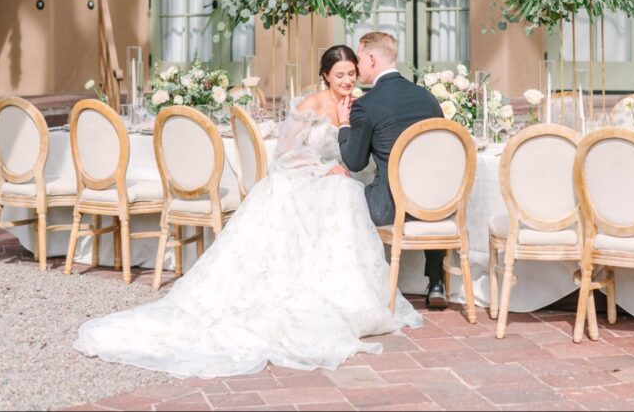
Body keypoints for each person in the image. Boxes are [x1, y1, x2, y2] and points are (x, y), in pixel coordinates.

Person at [73, 45, 421, 378]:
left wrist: (345, 136)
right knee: (339, 193)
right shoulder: (311, 104)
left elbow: (357, 155)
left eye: (351, 73)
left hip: (336, 181)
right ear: (325, 76)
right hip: (302, 179)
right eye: (340, 74)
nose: (347, 80)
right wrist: (322, 169)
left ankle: (350, 296)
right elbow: (285, 155)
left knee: (346, 195)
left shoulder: (357, 106)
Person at [337, 32, 448, 309]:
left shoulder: (366, 105)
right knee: (430, 184)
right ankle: (436, 281)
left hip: (389, 207)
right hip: (435, 206)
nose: (357, 65)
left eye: (359, 58)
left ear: (372, 58)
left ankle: (357, 283)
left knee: (338, 194)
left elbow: (354, 162)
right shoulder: (428, 99)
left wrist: (343, 125)